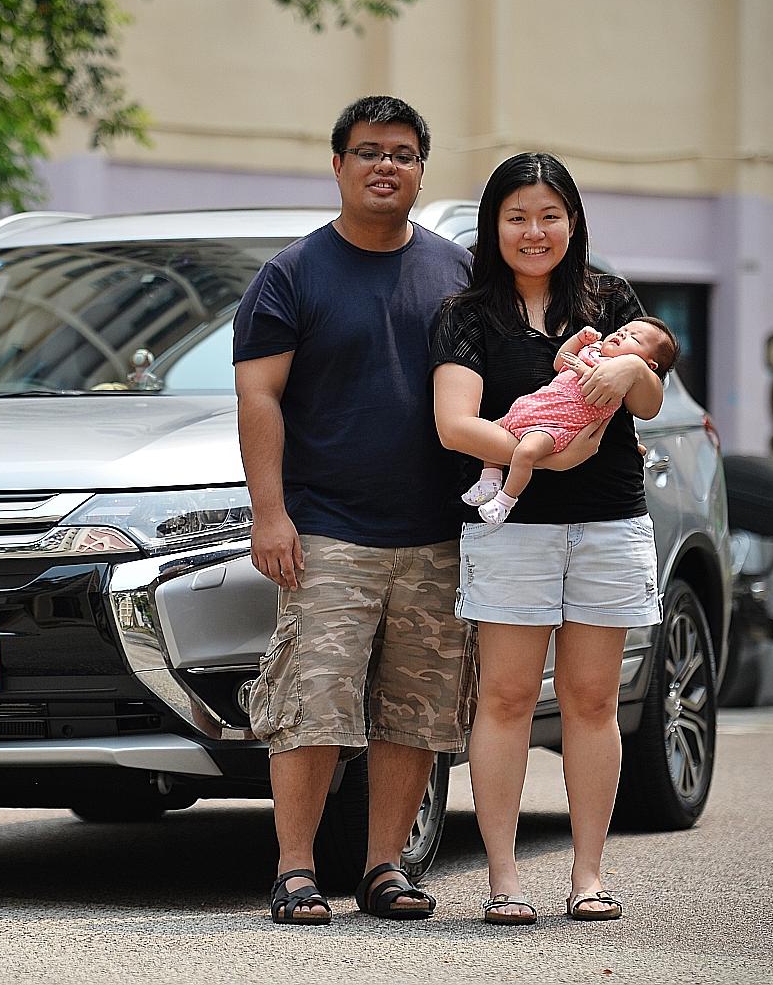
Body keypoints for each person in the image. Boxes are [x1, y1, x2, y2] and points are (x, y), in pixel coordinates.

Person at [232, 96, 476, 926]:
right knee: (313, 707)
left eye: (403, 155)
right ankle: (295, 871)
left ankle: (383, 868)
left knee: (415, 711)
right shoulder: (295, 273)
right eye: (369, 152)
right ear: (337, 165)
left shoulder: (455, 271)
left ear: (420, 171)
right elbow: (259, 396)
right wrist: (271, 515)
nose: (386, 166)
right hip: (328, 529)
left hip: (437, 533)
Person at [432, 152, 665, 925]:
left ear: (572, 221)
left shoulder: (609, 297)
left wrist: (629, 374)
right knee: (503, 698)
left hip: (609, 522)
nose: (535, 232)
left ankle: (589, 876)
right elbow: (453, 424)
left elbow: (654, 396)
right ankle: (504, 880)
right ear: (494, 225)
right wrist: (548, 454)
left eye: (550, 216)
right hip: (513, 529)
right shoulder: (466, 313)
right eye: (518, 217)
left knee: (593, 699)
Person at [462, 316, 678, 524]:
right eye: (623, 329)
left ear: (650, 366)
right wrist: (579, 339)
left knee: (526, 452)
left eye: (635, 338)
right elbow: (559, 361)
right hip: (532, 408)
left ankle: (504, 501)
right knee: (490, 432)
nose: (622, 334)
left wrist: (623, 367)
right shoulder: (593, 351)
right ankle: (490, 478)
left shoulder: (622, 381)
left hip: (556, 426)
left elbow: (596, 386)